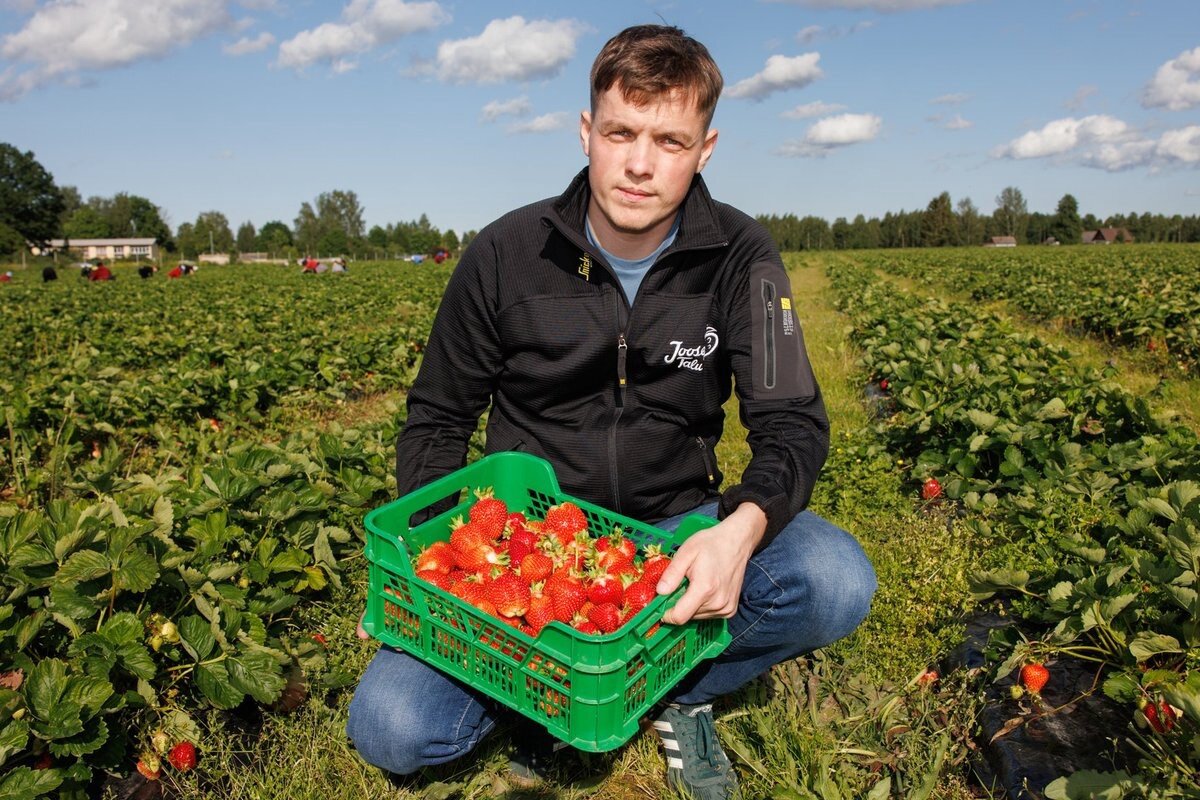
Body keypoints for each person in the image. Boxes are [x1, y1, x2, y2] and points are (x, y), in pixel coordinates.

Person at [345, 24, 876, 800]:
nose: (639, 162)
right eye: (621, 131)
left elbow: (792, 420)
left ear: (706, 148)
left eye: (670, 139)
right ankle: (565, 689)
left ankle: (668, 689)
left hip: (674, 535)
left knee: (833, 578)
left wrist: (737, 534)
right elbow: (435, 418)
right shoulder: (504, 253)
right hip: (526, 545)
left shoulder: (743, 256)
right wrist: (438, 566)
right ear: (586, 131)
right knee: (393, 727)